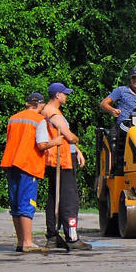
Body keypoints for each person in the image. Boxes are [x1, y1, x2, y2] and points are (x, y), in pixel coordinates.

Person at [38, 82, 91, 251]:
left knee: (54, 197)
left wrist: (78, 151)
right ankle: (71, 237)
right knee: (69, 200)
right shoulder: (54, 113)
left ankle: (52, 236)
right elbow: (67, 136)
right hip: (63, 161)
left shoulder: (46, 111)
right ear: (58, 95)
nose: (66, 96)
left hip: (57, 159)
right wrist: (76, 140)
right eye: (65, 94)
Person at [0, 92, 52, 253]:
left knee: (15, 204)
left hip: (11, 162)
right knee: (27, 204)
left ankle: (21, 241)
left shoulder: (13, 118)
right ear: (40, 105)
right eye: (43, 106)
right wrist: (55, 142)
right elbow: (42, 145)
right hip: (28, 164)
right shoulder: (39, 120)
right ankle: (28, 242)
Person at [100, 68, 136, 175]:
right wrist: (113, 110)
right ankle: (121, 164)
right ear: (130, 79)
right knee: (129, 132)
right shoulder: (121, 90)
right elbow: (104, 103)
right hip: (125, 123)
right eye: (133, 78)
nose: (135, 80)